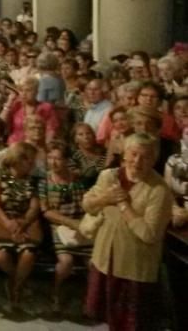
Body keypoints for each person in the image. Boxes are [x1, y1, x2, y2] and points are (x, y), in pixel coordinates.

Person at [83, 133, 174, 331]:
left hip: (134, 270)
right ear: (124, 154)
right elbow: (88, 205)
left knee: (131, 325)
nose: (138, 161)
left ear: (154, 159)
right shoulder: (109, 176)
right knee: (109, 320)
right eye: (133, 154)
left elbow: (150, 234)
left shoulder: (159, 190)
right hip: (105, 261)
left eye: (146, 156)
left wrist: (124, 205)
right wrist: (104, 199)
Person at [0, 141, 42, 314]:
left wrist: (23, 224)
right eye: (30, 160)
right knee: (0, 255)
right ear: (19, 159)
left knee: (28, 254)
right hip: (2, 221)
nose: (33, 164)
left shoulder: (32, 180)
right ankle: (17, 280)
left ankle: (15, 290)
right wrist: (7, 223)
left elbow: (34, 207)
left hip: (24, 223)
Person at [40, 140, 92, 315]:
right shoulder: (44, 181)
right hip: (59, 226)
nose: (53, 162)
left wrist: (82, 223)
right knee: (66, 262)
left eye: (58, 159)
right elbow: (46, 211)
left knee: (93, 264)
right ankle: (56, 293)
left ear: (66, 160)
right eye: (50, 158)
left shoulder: (78, 179)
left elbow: (87, 204)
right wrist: (69, 223)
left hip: (81, 224)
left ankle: (90, 300)